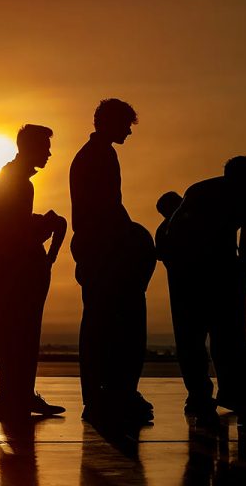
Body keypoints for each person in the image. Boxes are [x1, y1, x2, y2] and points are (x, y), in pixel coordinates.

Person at [164, 156, 246, 428]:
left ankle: (235, 398)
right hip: (191, 273)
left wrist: (241, 284)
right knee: (197, 340)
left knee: (227, 340)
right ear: (235, 178)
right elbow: (175, 232)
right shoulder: (202, 193)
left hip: (219, 271)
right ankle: (203, 400)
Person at [70, 98, 156, 426]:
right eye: (125, 125)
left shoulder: (96, 154)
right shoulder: (98, 156)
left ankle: (106, 395)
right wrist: (131, 238)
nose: (129, 132)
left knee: (102, 324)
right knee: (113, 325)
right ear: (109, 123)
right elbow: (106, 208)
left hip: (100, 249)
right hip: (104, 252)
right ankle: (110, 395)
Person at [0, 124, 66, 419]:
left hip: (5, 264)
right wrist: (44, 226)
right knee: (4, 330)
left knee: (14, 332)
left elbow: (9, 221)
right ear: (30, 148)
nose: (49, 154)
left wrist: (39, 223)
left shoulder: (13, 178)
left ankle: (14, 395)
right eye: (45, 148)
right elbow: (11, 229)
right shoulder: (16, 181)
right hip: (6, 266)